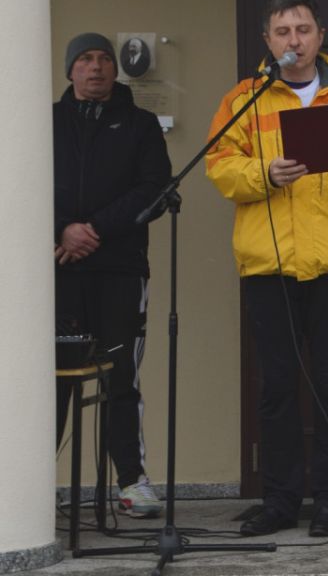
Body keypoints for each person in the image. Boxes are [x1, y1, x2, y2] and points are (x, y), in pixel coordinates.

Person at [205, 0, 328, 538]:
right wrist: (264, 174)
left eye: (303, 29)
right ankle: (280, 502)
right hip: (269, 265)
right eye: (283, 31)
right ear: (267, 41)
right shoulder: (244, 99)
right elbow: (219, 166)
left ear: (320, 36)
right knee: (277, 388)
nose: (294, 40)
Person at [54, 32, 172, 517]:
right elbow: (15, 183)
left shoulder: (140, 125)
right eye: (85, 59)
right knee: (52, 380)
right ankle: (30, 488)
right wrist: (62, 230)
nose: (96, 67)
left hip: (121, 271)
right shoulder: (45, 121)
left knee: (120, 376)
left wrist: (94, 229)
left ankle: (131, 481)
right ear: (70, 70)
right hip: (58, 272)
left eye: (104, 58)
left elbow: (155, 189)